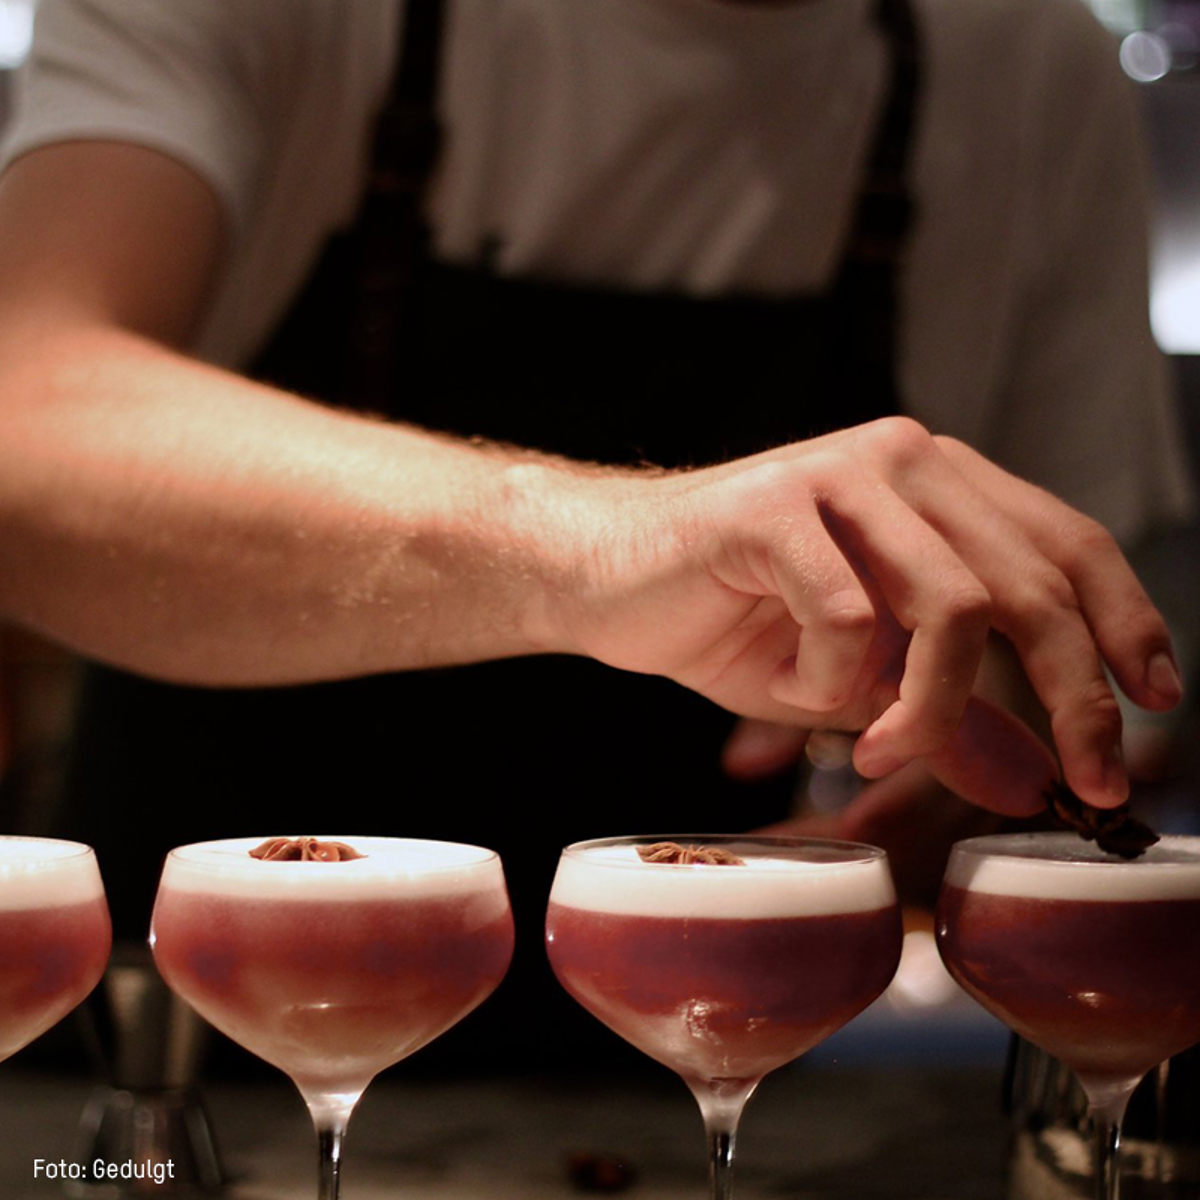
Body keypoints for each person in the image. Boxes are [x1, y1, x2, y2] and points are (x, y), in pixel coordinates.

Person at [0, 0, 1191, 1070]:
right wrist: (611, 545)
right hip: (206, 1033)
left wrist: (949, 734)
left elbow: (1033, 607)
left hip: (692, 1040)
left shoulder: (1025, 60)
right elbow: (27, 425)